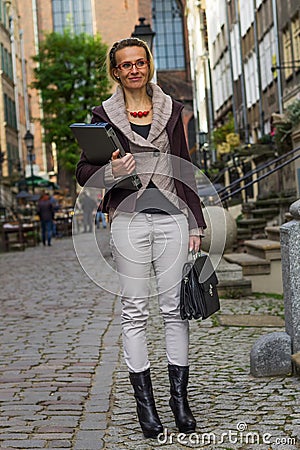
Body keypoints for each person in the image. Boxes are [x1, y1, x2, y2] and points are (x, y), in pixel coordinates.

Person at [76, 37, 206, 439]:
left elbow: (185, 166)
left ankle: (179, 401)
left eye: (139, 62)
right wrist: (112, 173)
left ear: (148, 64)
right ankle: (145, 407)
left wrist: (197, 222)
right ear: (116, 71)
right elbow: (83, 172)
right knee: (134, 311)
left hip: (172, 218)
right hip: (129, 220)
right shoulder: (103, 115)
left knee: (173, 310)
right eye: (125, 65)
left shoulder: (171, 109)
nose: (134, 69)